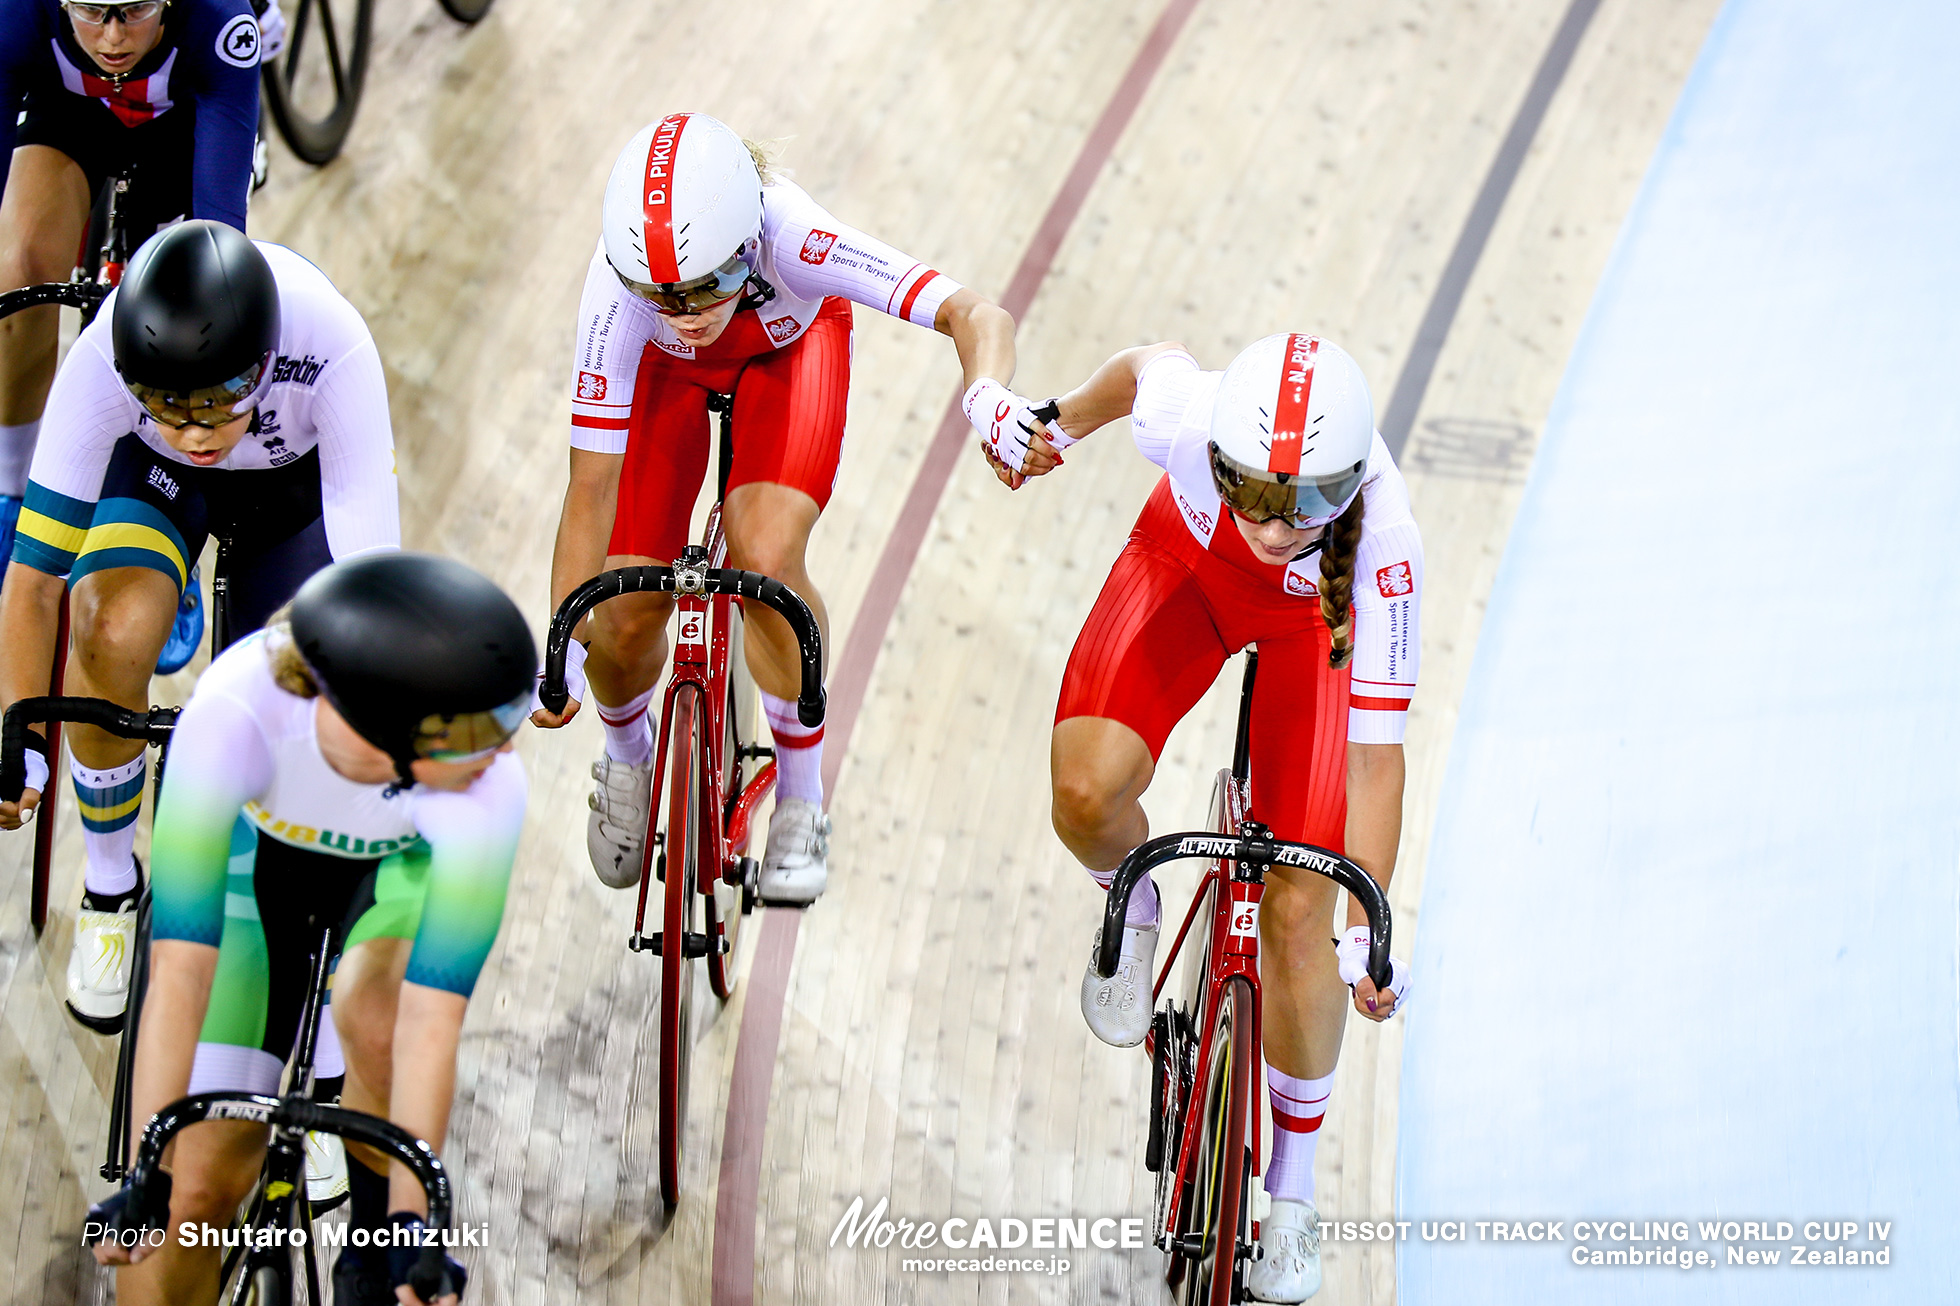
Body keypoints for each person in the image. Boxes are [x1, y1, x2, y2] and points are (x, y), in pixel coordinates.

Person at [534, 111, 1025, 903]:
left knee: (765, 555)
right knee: (619, 612)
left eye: (711, 283)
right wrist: (560, 648)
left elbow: (977, 316)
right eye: (661, 294)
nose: (687, 311)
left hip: (790, 351)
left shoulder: (796, 235)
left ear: (748, 241)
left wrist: (989, 399)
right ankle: (627, 756)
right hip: (668, 377)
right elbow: (588, 487)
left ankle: (802, 796)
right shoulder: (620, 295)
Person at [1021, 333, 1419, 1303]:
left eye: (1310, 506)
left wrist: (1365, 926)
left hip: (1314, 637)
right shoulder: (1188, 420)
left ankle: (1291, 1187)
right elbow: (1140, 366)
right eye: (1251, 494)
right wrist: (1057, 425)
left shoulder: (1387, 544)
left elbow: (1373, 761)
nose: (1278, 530)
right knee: (1083, 791)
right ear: (1219, 464)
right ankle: (1135, 897)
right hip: (1184, 571)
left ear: (1353, 483)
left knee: (1300, 918)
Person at [87, 551, 532, 1306]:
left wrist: (411, 1232)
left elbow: (431, 1024)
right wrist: (145, 1180)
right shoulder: (232, 715)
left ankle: (367, 1244)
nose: (504, 750)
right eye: (474, 732)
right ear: (389, 729)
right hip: (253, 872)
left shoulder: (486, 790)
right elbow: (181, 978)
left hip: (397, 877)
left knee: (380, 1019)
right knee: (189, 1203)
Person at [0, 219, 399, 1032]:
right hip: (157, 486)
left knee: (296, 693)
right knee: (108, 630)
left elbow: (369, 588)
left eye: (218, 405)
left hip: (290, 498)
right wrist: (18, 736)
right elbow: (34, 582)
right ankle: (111, 881)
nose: (193, 432)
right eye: (167, 406)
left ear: (263, 362)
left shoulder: (333, 343)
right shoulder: (101, 366)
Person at [0, 0, 262, 571]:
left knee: (196, 309)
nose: (113, 36)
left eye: (134, 10)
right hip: (69, 111)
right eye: (92, 11)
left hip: (188, 112)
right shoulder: (17, 14)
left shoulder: (216, 20)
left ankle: (171, 520)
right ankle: (11, 487)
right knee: (17, 265)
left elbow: (220, 246)